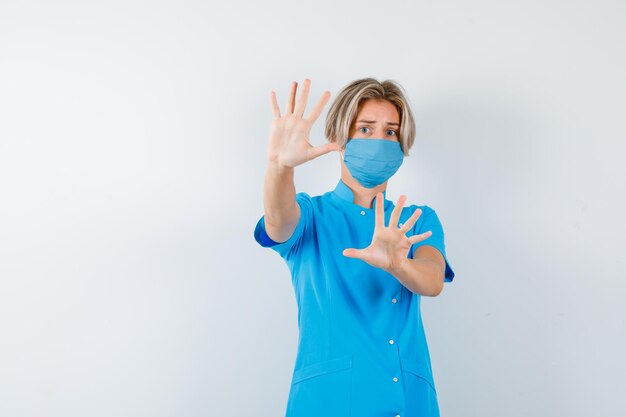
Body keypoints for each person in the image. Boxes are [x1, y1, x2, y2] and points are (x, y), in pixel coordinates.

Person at [253, 78, 455, 417]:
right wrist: (279, 167)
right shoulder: (312, 217)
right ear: (340, 138)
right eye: (365, 129)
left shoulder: (417, 220)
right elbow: (278, 220)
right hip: (328, 402)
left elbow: (433, 280)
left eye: (391, 132)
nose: (380, 140)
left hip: (408, 401)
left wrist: (398, 264)